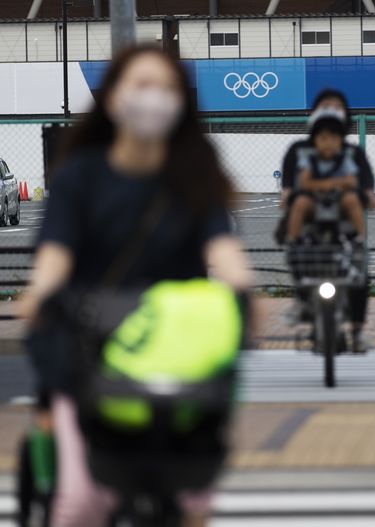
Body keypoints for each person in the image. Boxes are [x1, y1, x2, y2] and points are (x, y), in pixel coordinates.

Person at [19, 45, 252, 527]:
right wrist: (41, 293)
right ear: (112, 99)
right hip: (90, 344)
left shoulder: (194, 174)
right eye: (141, 85)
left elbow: (222, 249)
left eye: (166, 88)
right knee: (81, 504)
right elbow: (55, 255)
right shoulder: (80, 176)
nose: (154, 99)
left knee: (193, 501)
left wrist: (241, 288)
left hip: (177, 349)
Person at [278, 89, 375, 353]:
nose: (331, 110)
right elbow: (291, 182)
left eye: (337, 107)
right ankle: (301, 300)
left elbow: (363, 183)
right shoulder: (300, 150)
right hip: (311, 217)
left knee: (358, 269)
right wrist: (288, 193)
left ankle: (356, 330)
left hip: (342, 220)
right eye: (325, 106)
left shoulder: (351, 153)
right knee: (300, 256)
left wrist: (367, 193)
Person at [286, 107, 367, 244]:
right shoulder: (309, 159)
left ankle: (360, 238)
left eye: (334, 139)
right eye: (323, 139)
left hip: (338, 199)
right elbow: (304, 182)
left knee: (352, 199)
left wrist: (328, 184)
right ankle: (293, 240)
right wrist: (331, 183)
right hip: (315, 200)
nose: (328, 143)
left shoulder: (344, 158)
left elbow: (352, 181)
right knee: (300, 202)